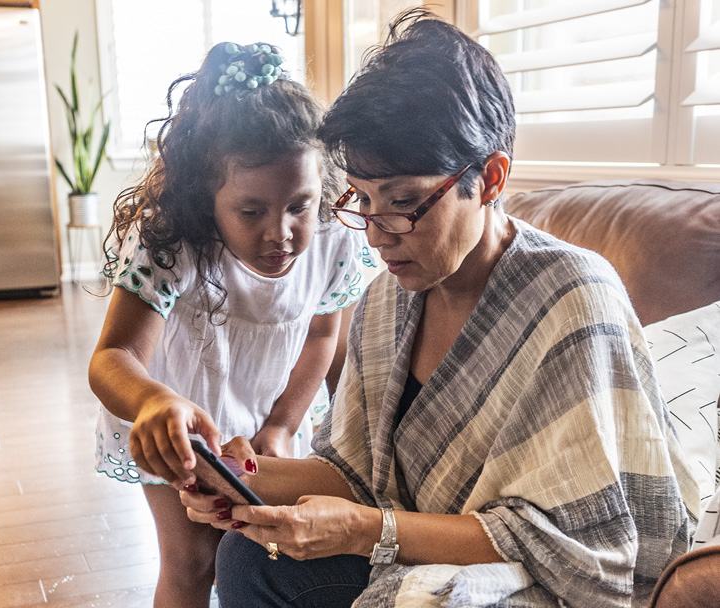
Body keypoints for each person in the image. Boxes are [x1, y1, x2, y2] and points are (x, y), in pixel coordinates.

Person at [180, 9, 700, 608]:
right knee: (249, 556)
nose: (376, 234)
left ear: (491, 177)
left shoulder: (573, 299)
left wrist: (360, 529)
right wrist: (240, 476)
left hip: (538, 575)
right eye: (363, 200)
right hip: (412, 541)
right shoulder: (387, 300)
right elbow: (360, 477)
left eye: (403, 202)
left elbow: (577, 544)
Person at [88, 41, 374, 608]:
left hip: (272, 408)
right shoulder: (171, 238)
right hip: (175, 424)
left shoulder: (336, 238)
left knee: (255, 554)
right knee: (193, 564)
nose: (282, 233)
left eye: (301, 205)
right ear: (206, 200)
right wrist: (151, 403)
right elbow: (112, 357)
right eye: (252, 212)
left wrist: (282, 426)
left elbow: (323, 336)